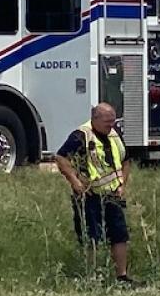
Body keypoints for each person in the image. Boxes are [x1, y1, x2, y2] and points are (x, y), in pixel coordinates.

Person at [54, 103, 135, 285]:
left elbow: (126, 160)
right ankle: (93, 277)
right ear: (95, 119)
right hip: (89, 196)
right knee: (91, 237)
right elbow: (61, 158)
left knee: (120, 235)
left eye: (113, 122)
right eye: (107, 122)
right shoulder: (81, 135)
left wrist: (122, 184)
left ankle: (121, 276)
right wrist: (74, 181)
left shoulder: (115, 134)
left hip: (112, 195)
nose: (110, 126)